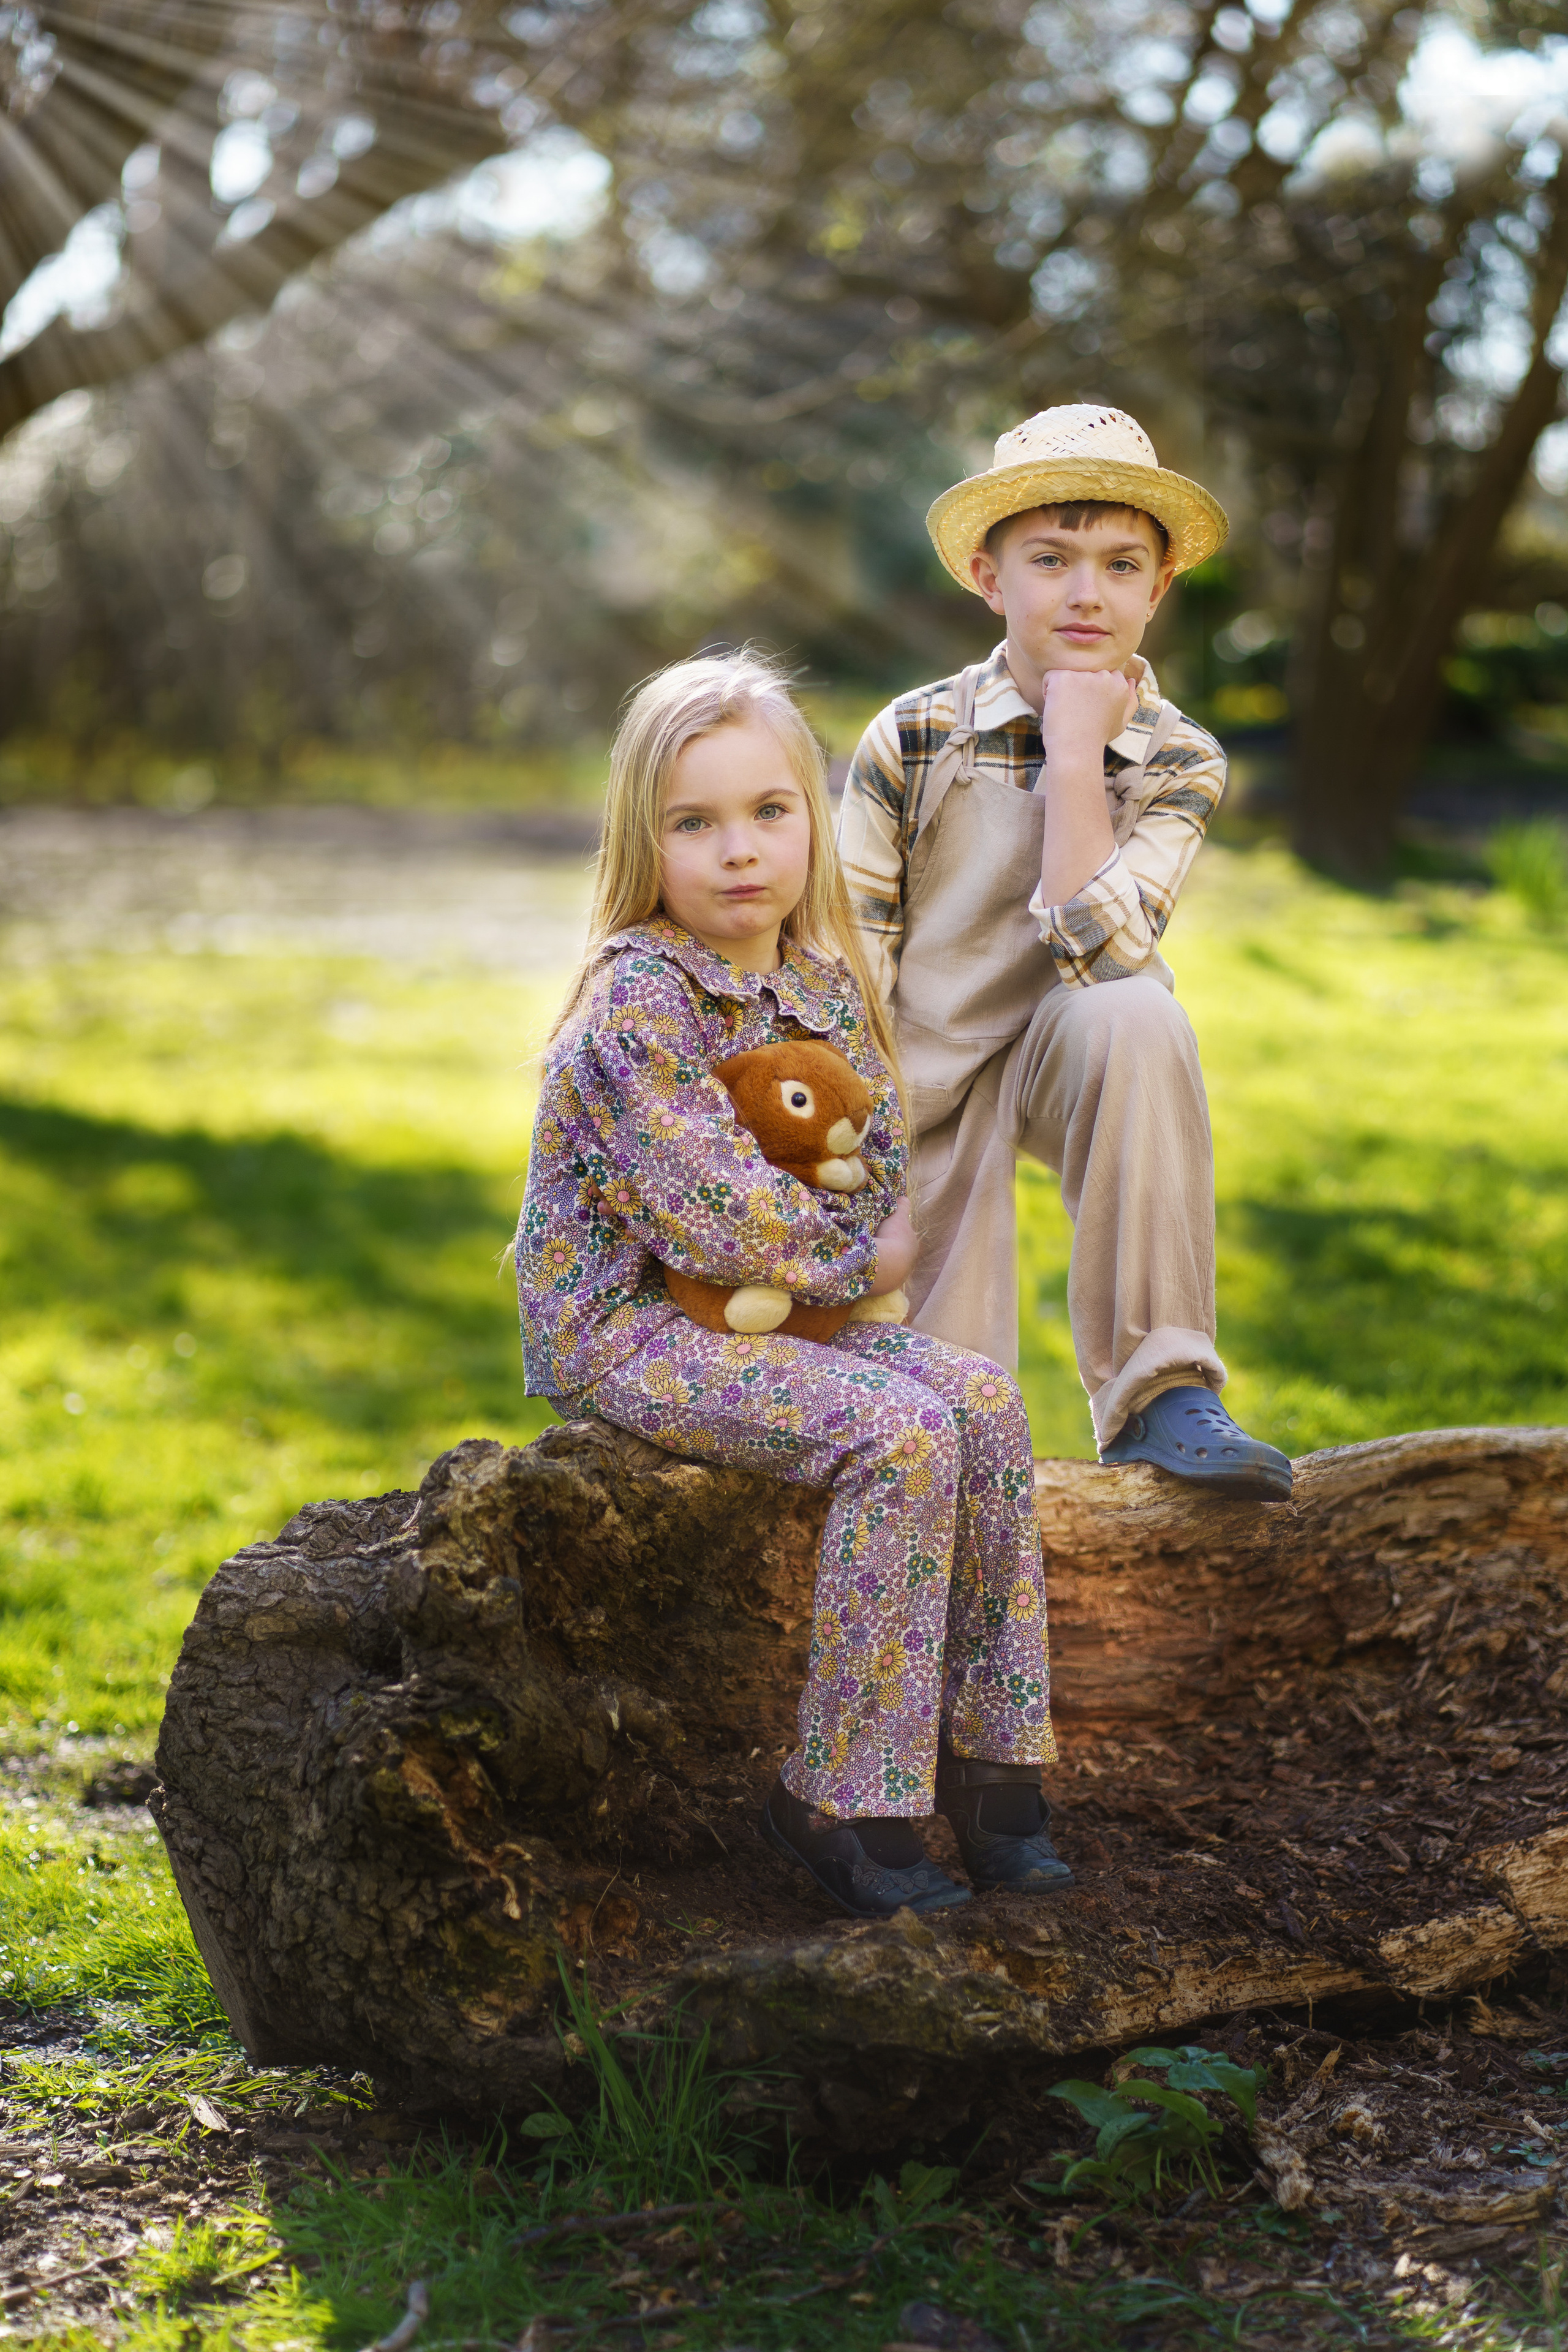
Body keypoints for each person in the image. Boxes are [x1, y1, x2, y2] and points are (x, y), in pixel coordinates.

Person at [516, 651, 1071, 1921]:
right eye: (694, 822)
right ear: (644, 839)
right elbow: (718, 1213)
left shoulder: (817, 981)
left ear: (811, 821)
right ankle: (842, 1798)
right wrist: (864, 1255)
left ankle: (990, 1763)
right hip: (631, 1329)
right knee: (899, 1436)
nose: (738, 850)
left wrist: (853, 1238)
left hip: (790, 1316)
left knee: (982, 1403)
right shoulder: (637, 1000)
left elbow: (875, 1158)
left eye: (769, 810)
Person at [838, 404, 1292, 1499]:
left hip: (1072, 1046)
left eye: (1121, 564)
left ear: (1159, 587)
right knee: (933, 1430)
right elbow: (847, 970)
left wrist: (1078, 755)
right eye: (1051, 559)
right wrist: (860, 1152)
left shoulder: (1179, 759)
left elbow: (1105, 956)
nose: (1088, 593)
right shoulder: (914, 736)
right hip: (918, 1068)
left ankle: (1160, 1392)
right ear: (989, 579)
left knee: (1139, 1012)